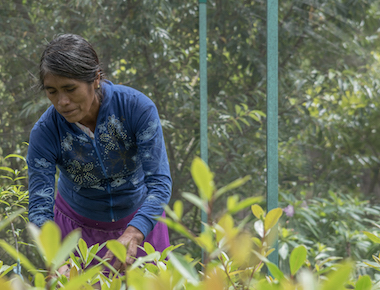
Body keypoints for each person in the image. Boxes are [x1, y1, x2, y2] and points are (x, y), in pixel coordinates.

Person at [27, 34, 172, 271]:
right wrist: (56, 259)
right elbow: (40, 207)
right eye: (52, 91)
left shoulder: (136, 109)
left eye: (70, 89)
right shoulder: (45, 132)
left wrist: (135, 232)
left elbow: (159, 183)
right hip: (76, 232)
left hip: (141, 223)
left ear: (95, 79)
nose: (62, 101)